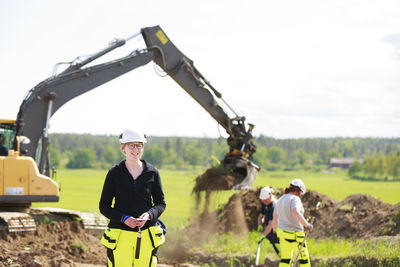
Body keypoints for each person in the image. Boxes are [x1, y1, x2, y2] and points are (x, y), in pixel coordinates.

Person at [99, 129, 166, 267]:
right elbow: (104, 206)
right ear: (123, 148)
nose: (136, 150)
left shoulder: (152, 173)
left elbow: (160, 203)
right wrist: (124, 218)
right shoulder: (114, 173)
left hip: (147, 234)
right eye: (131, 145)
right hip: (120, 234)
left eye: (139, 145)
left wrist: (149, 215)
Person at [272, 179, 313, 267]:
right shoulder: (295, 199)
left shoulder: (280, 200)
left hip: (283, 235)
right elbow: (295, 212)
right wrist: (307, 225)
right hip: (296, 235)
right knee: (304, 260)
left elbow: (275, 218)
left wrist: (274, 231)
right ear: (297, 190)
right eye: (301, 193)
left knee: (286, 260)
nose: (300, 195)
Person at [257, 186, 280, 256]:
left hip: (277, 232)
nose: (264, 202)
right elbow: (261, 216)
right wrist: (260, 224)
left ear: (270, 197)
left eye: (265, 200)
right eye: (263, 200)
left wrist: (263, 236)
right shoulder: (265, 204)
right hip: (270, 232)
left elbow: (271, 224)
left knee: (279, 250)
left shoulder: (273, 206)